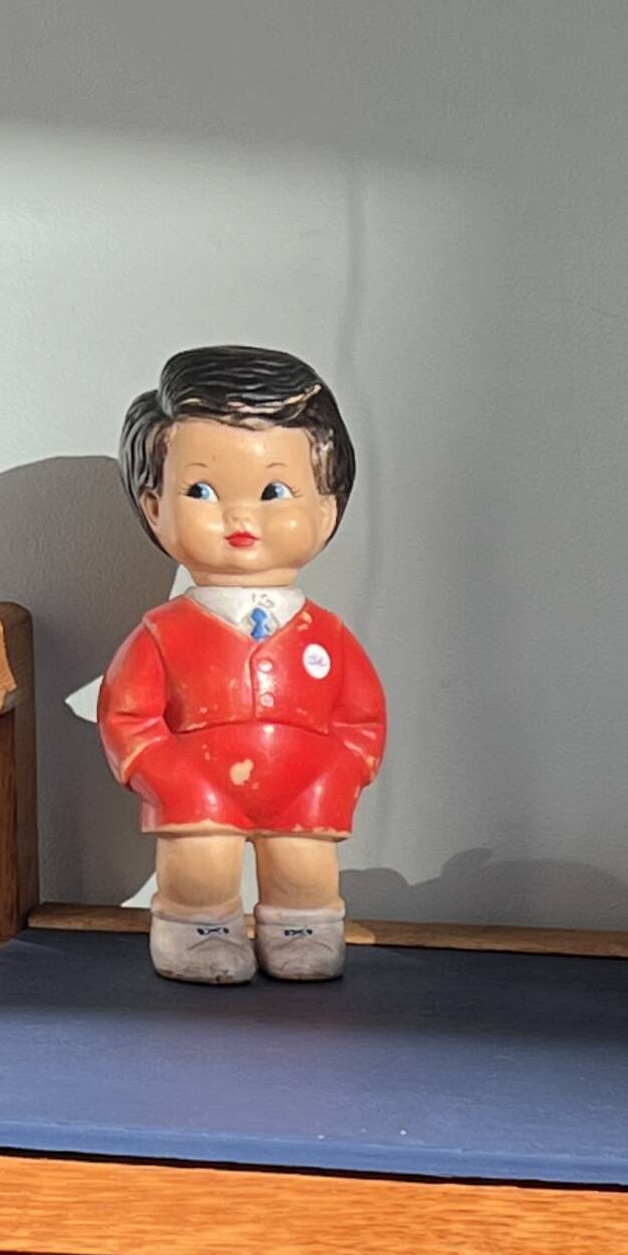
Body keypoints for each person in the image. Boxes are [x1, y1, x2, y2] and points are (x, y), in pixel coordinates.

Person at [99, 345, 388, 983]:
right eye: (200, 490)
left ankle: (303, 929)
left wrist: (343, 771)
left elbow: (362, 715)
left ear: (325, 509)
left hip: (307, 788)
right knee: (199, 869)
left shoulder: (328, 635)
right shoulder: (162, 633)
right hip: (196, 790)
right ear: (155, 508)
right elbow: (127, 714)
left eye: (274, 492)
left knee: (305, 871)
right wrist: (163, 773)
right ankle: (197, 934)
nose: (239, 517)